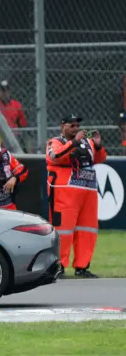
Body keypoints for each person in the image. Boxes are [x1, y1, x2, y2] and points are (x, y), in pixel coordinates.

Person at [46, 114, 107, 278]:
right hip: (64, 191)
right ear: (63, 126)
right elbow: (54, 157)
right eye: (71, 125)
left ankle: (82, 266)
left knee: (87, 230)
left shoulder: (88, 142)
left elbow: (99, 159)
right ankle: (59, 266)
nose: (76, 128)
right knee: (63, 231)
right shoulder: (55, 142)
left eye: (77, 125)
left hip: (88, 191)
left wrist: (99, 146)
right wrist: (74, 142)